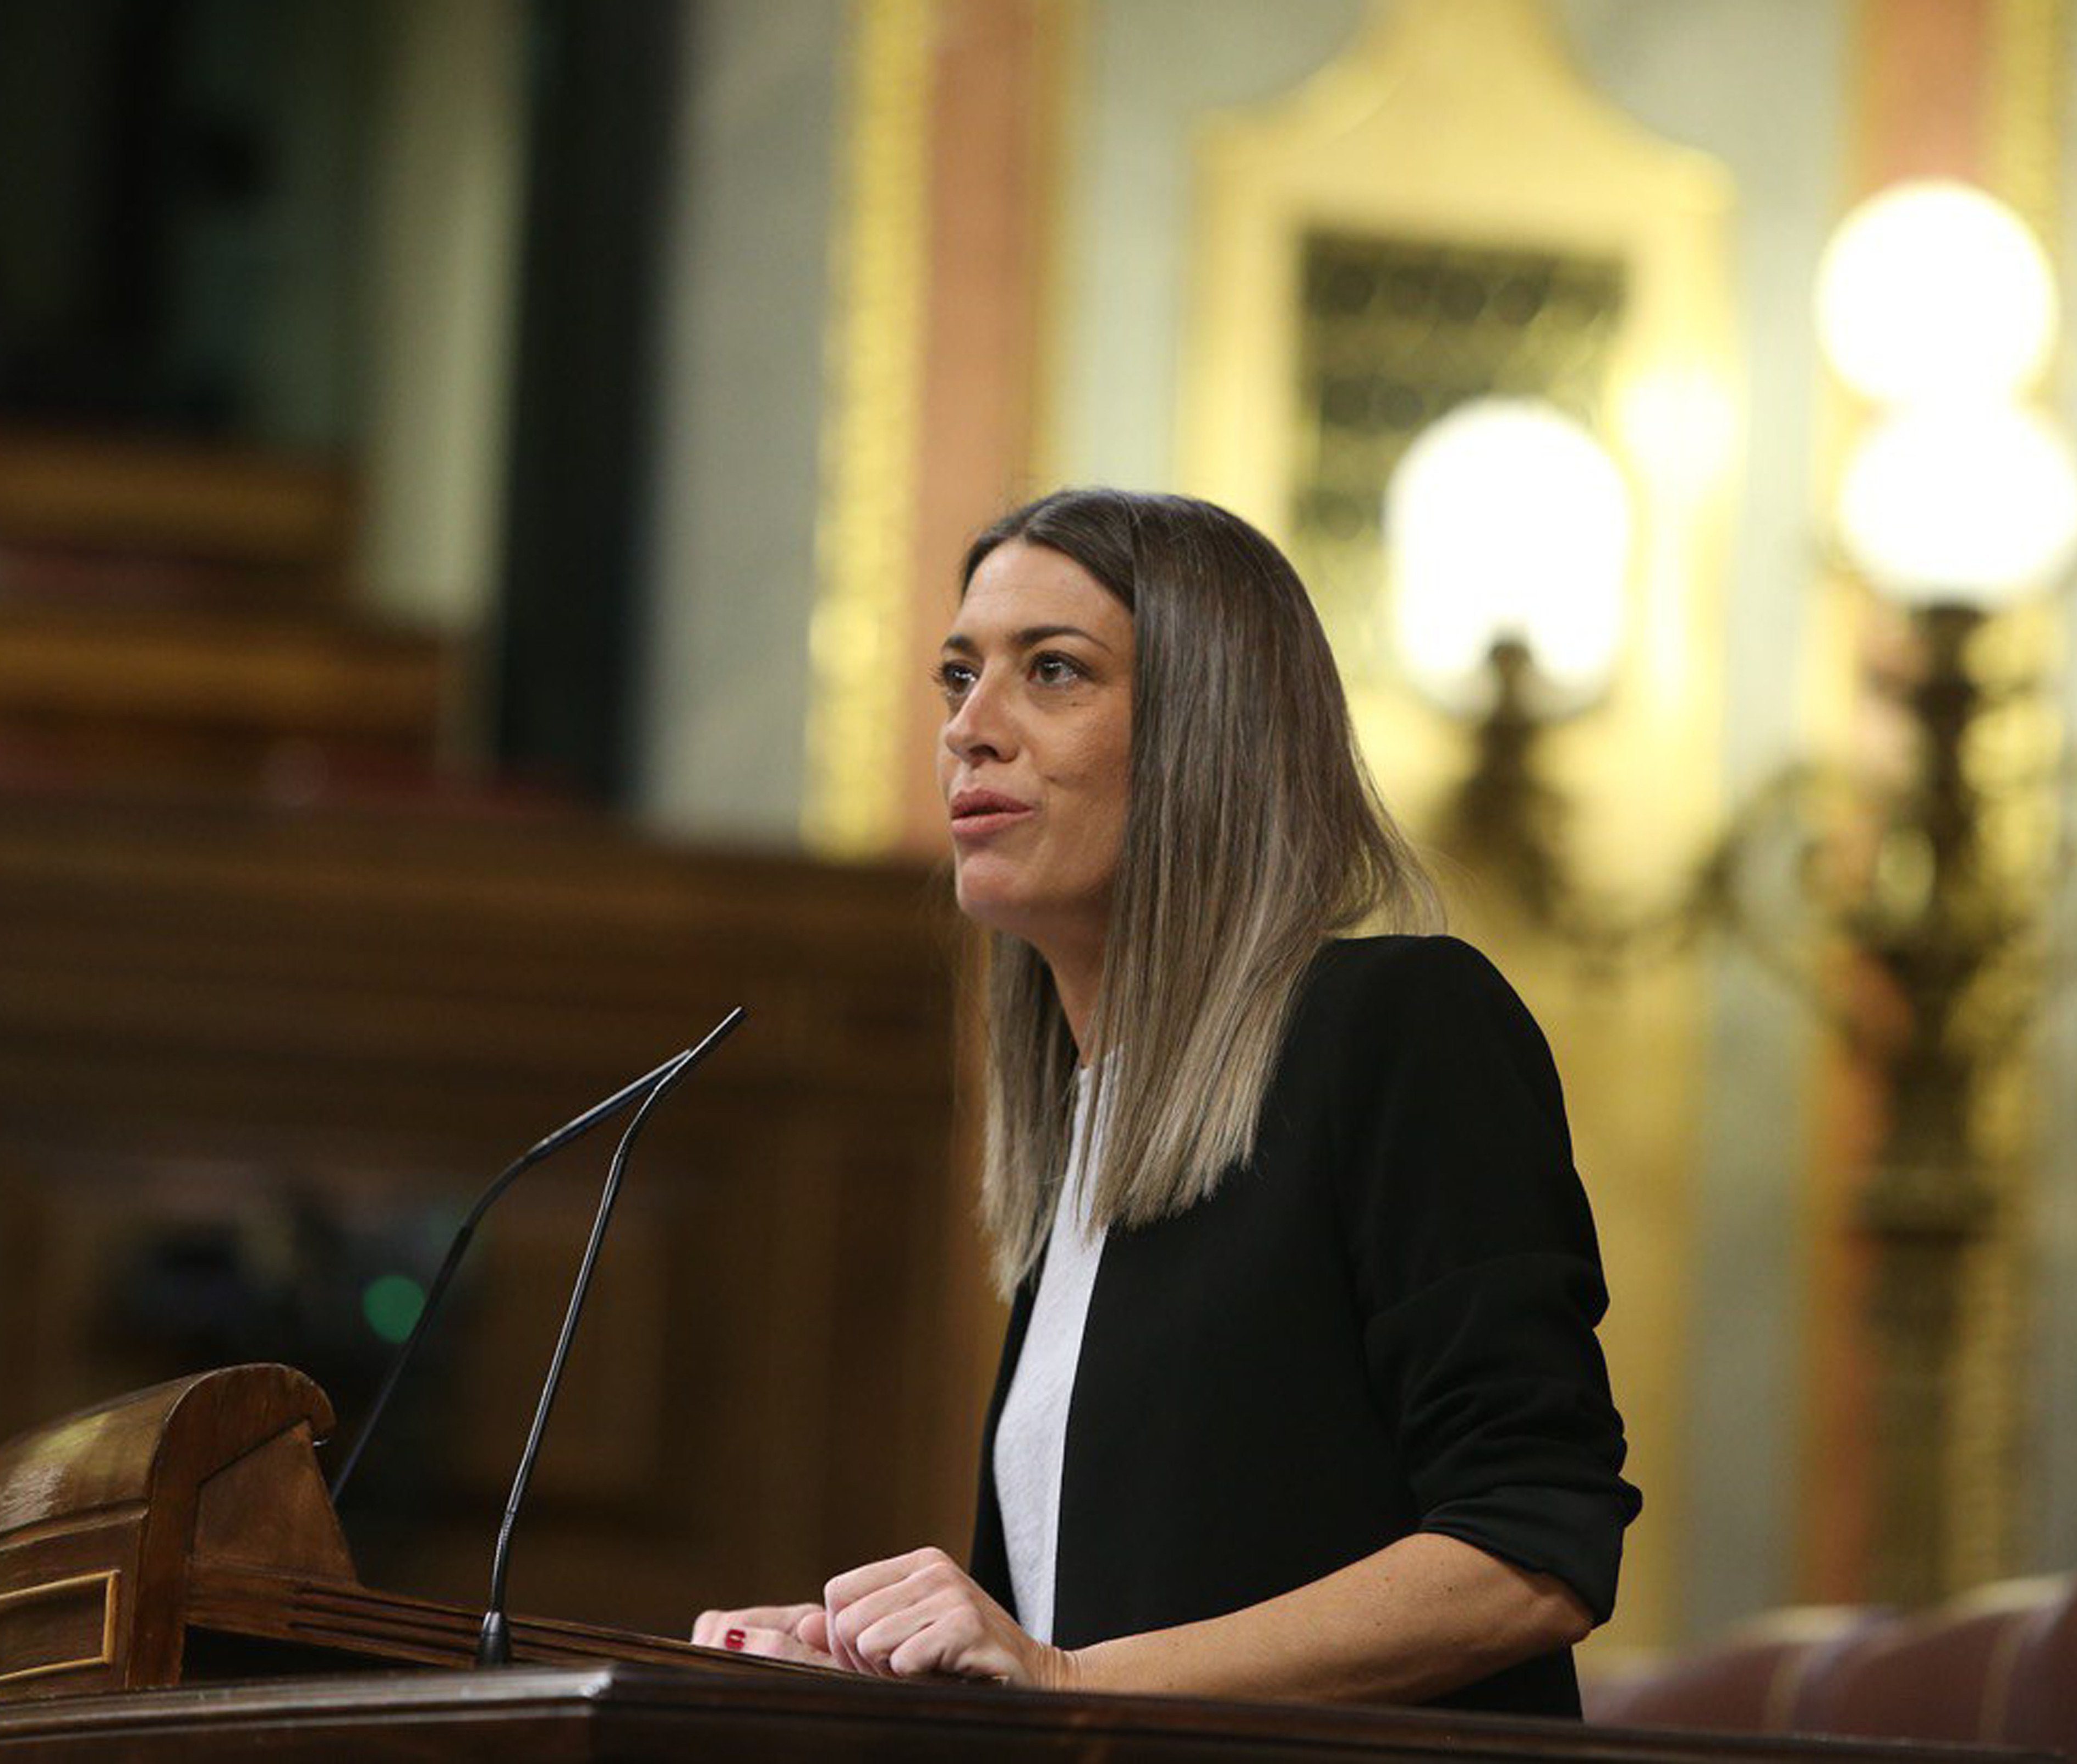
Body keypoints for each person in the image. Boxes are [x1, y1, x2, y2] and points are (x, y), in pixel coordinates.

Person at [690, 488, 1638, 1714]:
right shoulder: (1092, 1136)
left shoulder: (1397, 1024)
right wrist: (882, 1665)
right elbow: (1080, 1644)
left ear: (1211, 732)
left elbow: (1533, 1549)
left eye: (1055, 671)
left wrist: (1065, 1675)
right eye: (958, 676)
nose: (971, 728)